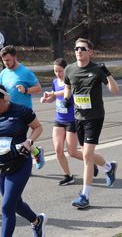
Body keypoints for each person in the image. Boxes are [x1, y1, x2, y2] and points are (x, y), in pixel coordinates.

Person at [64, 38, 119, 209]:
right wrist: (67, 98)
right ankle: (109, 166)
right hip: (78, 116)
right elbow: (68, 86)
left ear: (90, 52)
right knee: (86, 153)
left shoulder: (97, 69)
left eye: (82, 48)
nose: (78, 51)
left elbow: (115, 91)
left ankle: (85, 196)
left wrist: (107, 73)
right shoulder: (70, 69)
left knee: (87, 155)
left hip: (94, 117)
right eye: (76, 48)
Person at [40, 58, 100, 186]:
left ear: (66, 70)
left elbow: (67, 92)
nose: (57, 74)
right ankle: (68, 176)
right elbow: (55, 97)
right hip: (59, 120)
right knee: (58, 150)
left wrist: (53, 93)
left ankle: (91, 161)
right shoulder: (55, 82)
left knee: (72, 152)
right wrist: (47, 100)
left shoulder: (71, 80)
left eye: (60, 71)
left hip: (72, 120)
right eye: (55, 71)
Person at [0, 85, 46, 236]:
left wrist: (29, 142)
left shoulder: (21, 111)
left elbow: (38, 127)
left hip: (19, 164)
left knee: (7, 207)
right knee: (16, 203)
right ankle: (37, 222)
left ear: (4, 99)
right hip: (1, 167)